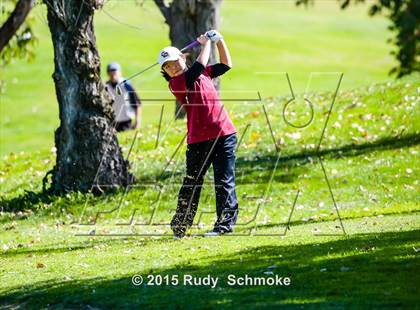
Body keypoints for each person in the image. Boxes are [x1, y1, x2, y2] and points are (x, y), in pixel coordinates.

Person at [158, 30, 238, 239]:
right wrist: (205, 44)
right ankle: (180, 228)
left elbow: (226, 64)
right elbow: (198, 67)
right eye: (167, 66)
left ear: (182, 57)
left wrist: (220, 40)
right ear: (165, 71)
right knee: (192, 182)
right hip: (199, 140)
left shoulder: (202, 73)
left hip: (224, 134)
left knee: (224, 181)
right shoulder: (175, 83)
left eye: (174, 62)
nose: (172, 67)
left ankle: (224, 227)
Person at [105, 62, 142, 132]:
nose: (113, 75)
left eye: (115, 72)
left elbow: (137, 103)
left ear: (120, 73)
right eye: (111, 72)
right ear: (108, 74)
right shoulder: (106, 86)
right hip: (113, 121)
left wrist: (138, 121)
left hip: (126, 120)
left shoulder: (126, 84)